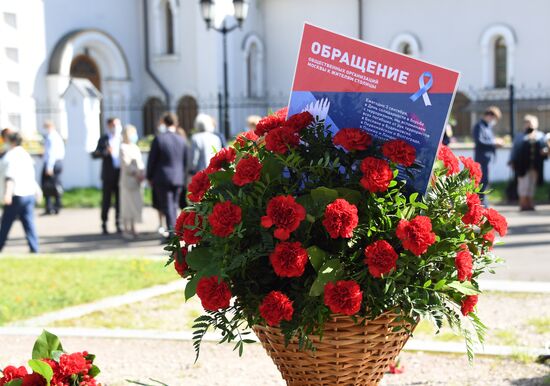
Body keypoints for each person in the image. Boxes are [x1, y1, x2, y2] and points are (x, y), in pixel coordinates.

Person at [146, 113, 187, 240]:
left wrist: (149, 176)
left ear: (164, 122)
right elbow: (186, 161)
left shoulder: (159, 139)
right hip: (178, 178)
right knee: (173, 205)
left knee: (169, 206)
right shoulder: (182, 139)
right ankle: (175, 232)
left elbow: (152, 160)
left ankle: (172, 234)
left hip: (162, 178)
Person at [0, 132, 40, 253]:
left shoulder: (11, 156)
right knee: (29, 223)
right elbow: (31, 175)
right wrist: (37, 191)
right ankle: (34, 248)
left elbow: (10, 176)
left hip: (16, 194)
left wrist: (7, 194)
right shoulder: (26, 155)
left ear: (9, 141)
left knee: (6, 223)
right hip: (29, 194)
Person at [92, 117, 122, 234]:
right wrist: (105, 152)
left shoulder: (121, 139)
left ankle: (118, 223)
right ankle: (104, 223)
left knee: (119, 201)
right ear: (109, 125)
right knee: (106, 200)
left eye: (117, 124)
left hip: (119, 174)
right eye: (114, 125)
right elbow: (95, 154)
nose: (116, 127)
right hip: (108, 175)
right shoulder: (104, 139)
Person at [510, 115, 545, 211]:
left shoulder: (540, 135)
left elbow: (544, 147)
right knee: (523, 184)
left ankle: (530, 203)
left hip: (535, 165)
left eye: (532, 122)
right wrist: (512, 161)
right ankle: (523, 203)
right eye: (527, 123)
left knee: (532, 184)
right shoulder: (520, 136)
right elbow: (515, 150)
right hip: (522, 165)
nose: (530, 125)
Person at [472, 106, 504, 206]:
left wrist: (496, 143)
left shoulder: (487, 127)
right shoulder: (479, 126)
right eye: (494, 118)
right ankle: (481, 205)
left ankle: (483, 204)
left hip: (487, 159)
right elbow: (480, 141)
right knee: (482, 182)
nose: (494, 121)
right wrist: (494, 143)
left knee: (485, 181)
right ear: (490, 115)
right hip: (481, 159)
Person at [119, 125, 145, 239]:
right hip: (128, 180)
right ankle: (126, 228)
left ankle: (134, 227)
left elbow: (140, 162)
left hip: (137, 181)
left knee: (136, 204)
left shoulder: (135, 147)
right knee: (127, 205)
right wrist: (136, 173)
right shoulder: (123, 147)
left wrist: (142, 172)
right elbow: (126, 164)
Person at [41, 120, 65, 215]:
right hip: (57, 163)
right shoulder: (56, 136)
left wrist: (49, 167)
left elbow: (51, 153)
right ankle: (56, 206)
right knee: (55, 185)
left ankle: (50, 207)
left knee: (49, 186)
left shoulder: (51, 137)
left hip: (52, 164)